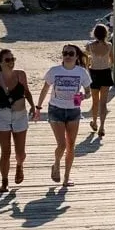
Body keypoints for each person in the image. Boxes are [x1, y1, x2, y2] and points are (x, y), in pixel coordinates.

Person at [36, 45, 92, 187]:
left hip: (73, 110)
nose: (67, 56)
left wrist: (83, 96)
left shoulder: (82, 72)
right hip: (56, 109)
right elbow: (45, 89)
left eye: (71, 53)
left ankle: (66, 177)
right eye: (65, 53)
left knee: (71, 145)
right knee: (61, 144)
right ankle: (56, 164)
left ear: (76, 56)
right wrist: (38, 108)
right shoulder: (54, 71)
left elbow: (88, 92)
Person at [0, 49, 33, 193]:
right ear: (0, 62)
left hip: (20, 115)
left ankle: (19, 165)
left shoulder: (20, 75)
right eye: (7, 60)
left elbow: (26, 91)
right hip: (2, 115)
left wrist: (33, 106)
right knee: (5, 151)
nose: (11, 62)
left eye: (12, 59)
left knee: (20, 152)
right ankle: (4, 181)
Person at [85, 24, 114, 137]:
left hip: (94, 73)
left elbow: (86, 56)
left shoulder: (90, 46)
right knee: (103, 102)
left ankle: (94, 122)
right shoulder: (109, 45)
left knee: (95, 101)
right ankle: (102, 126)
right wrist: (107, 64)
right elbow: (112, 60)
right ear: (106, 34)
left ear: (94, 34)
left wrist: (89, 64)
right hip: (105, 72)